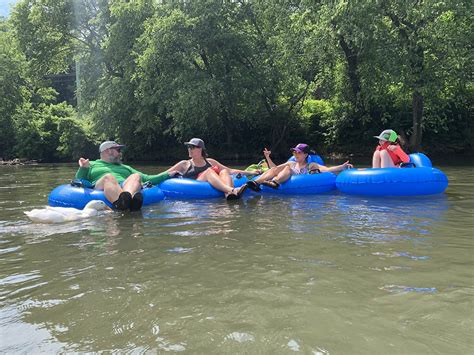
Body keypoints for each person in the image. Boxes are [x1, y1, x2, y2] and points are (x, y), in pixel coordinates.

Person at [76, 141, 178, 211]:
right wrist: (83, 168)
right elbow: (80, 180)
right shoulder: (92, 164)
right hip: (102, 185)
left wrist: (167, 174)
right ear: (109, 151)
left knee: (136, 176)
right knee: (109, 177)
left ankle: (127, 201)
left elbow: (147, 178)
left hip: (123, 186)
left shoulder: (125, 167)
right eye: (118, 150)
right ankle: (120, 202)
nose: (120, 153)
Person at [167, 138, 259, 200]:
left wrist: (251, 172)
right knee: (208, 171)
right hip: (195, 186)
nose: (189, 149)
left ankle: (229, 195)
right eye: (188, 147)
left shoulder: (210, 162)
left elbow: (230, 171)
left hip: (211, 185)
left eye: (192, 147)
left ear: (200, 149)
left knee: (224, 171)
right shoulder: (184, 164)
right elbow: (165, 174)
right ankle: (232, 190)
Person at [246, 143, 353, 191]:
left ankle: (275, 183)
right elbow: (274, 169)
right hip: (283, 179)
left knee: (287, 168)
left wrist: (342, 167)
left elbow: (328, 170)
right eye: (294, 152)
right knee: (284, 167)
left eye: (299, 152)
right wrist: (268, 157)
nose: (295, 154)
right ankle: (256, 183)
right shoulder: (291, 163)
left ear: (306, 154)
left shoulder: (311, 165)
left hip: (301, 184)